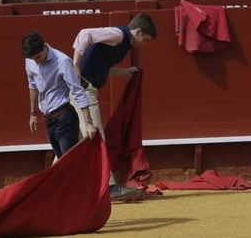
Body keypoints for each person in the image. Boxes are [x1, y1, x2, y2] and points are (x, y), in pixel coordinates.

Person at [72, 12, 158, 201]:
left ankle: (56, 185)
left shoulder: (122, 43)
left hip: (79, 89)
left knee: (74, 141)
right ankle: (110, 186)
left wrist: (126, 72)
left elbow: (102, 68)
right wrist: (76, 64)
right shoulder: (118, 35)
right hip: (84, 90)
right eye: (145, 40)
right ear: (138, 31)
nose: (144, 44)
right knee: (97, 137)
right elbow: (85, 33)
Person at [22, 31, 98, 158]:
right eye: (33, 59)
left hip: (65, 118)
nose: (36, 62)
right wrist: (33, 113)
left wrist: (89, 123)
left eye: (38, 57)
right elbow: (33, 85)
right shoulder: (30, 61)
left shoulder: (62, 61)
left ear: (44, 47)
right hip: (49, 120)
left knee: (68, 163)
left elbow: (78, 91)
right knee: (63, 162)